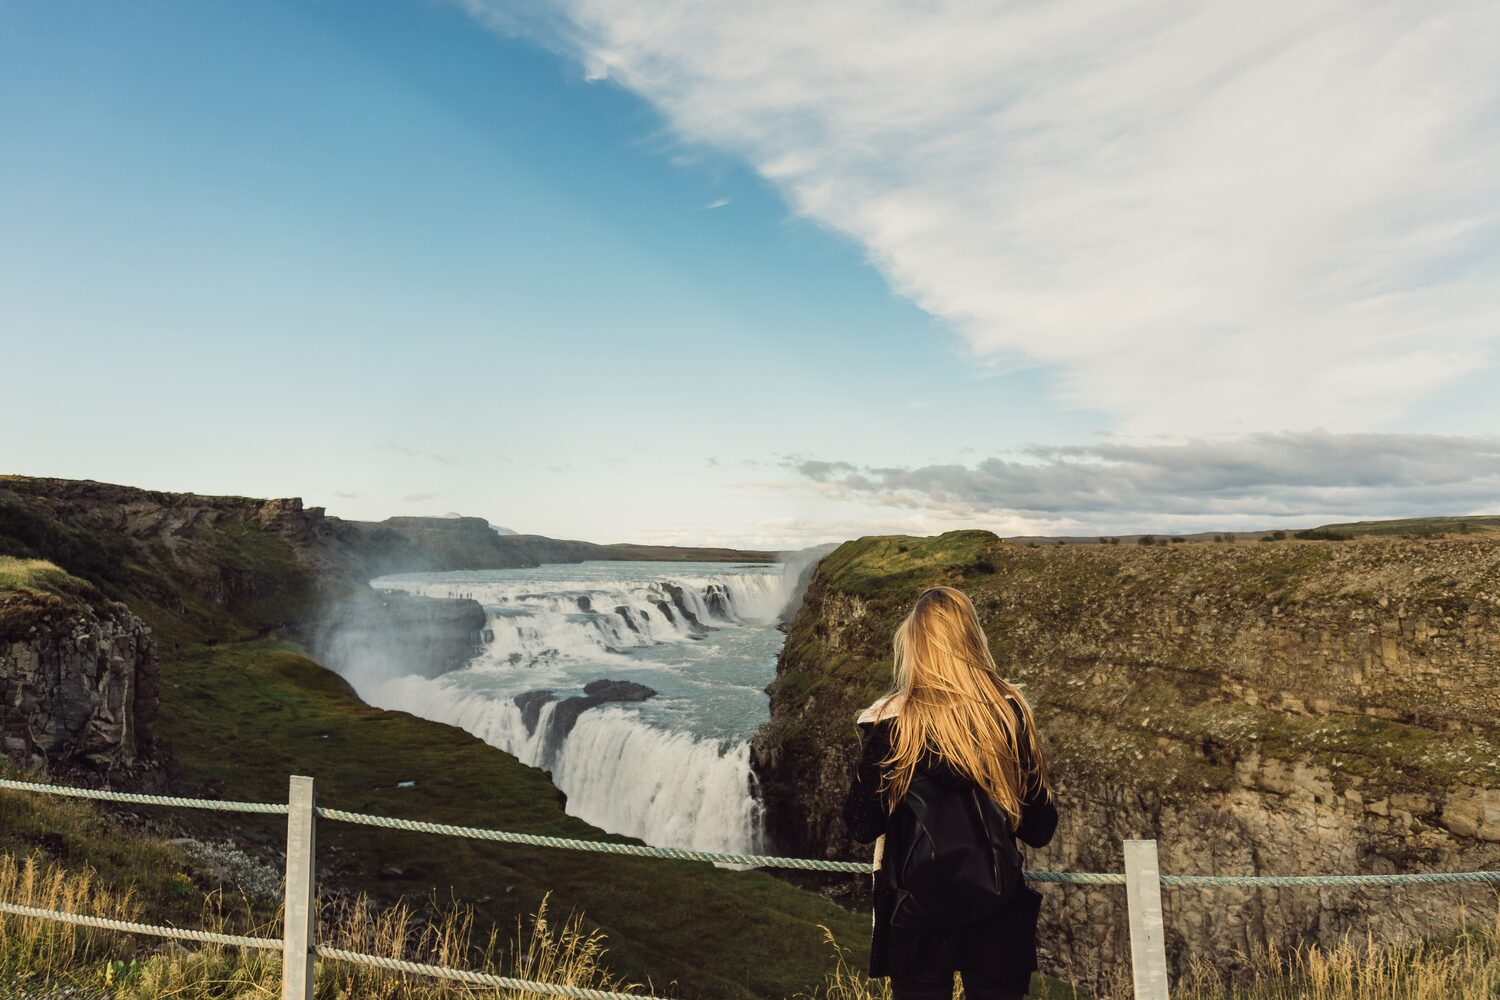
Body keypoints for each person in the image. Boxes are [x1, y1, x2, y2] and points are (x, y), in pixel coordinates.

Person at [842, 585, 1058, 1000]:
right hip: (997, 912)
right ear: (973, 640)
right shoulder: (1009, 716)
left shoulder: (893, 724)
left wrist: (876, 745)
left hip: (917, 915)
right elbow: (1039, 828)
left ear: (915, 647)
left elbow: (861, 823)